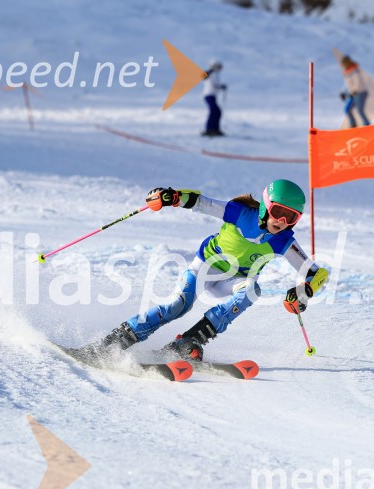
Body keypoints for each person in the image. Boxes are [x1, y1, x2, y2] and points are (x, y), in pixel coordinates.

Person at [71, 180, 329, 362]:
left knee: (252, 290)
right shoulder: (240, 213)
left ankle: (189, 342)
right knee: (177, 306)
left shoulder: (284, 240)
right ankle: (117, 340)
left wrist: (303, 292)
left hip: (237, 280)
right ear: (264, 206)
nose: (281, 222)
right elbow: (201, 203)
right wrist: (170, 196)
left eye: (291, 217)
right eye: (278, 212)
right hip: (207, 266)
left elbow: (316, 274)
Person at [339, 55, 370, 127]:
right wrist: (344, 92)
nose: (344, 65)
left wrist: (354, 91)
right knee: (348, 109)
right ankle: (353, 125)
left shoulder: (355, 69)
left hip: (361, 92)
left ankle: (367, 125)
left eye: (345, 63)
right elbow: (347, 84)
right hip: (353, 94)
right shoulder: (347, 72)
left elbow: (358, 81)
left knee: (360, 110)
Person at [201, 60, 227, 136]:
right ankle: (209, 129)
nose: (220, 68)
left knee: (216, 112)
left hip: (210, 96)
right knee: (214, 112)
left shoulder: (211, 73)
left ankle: (214, 129)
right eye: (219, 66)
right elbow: (214, 85)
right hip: (210, 95)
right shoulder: (213, 74)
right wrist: (222, 87)